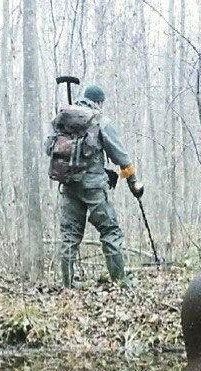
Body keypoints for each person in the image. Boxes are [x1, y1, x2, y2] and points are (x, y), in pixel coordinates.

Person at [45, 84, 143, 288]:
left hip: (69, 185)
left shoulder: (62, 119)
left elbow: (48, 148)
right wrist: (132, 181)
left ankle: (68, 284)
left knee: (70, 235)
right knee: (110, 231)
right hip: (94, 188)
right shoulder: (100, 121)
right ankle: (120, 281)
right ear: (99, 102)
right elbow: (120, 156)